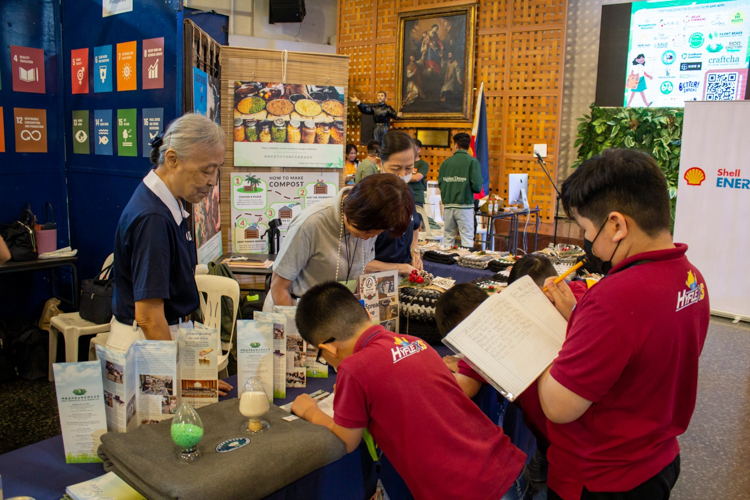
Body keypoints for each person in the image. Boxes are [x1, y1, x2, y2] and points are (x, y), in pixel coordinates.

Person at [538, 148, 710, 500]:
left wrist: (528, 344)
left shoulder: (616, 297)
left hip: (602, 475)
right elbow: (639, 355)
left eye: (587, 229)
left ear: (616, 225)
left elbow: (559, 406)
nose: (589, 245)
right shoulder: (692, 277)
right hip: (657, 457)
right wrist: (576, 316)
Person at [291, 282, 529, 500]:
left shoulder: (353, 369)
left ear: (328, 348)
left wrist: (310, 411)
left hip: (467, 490)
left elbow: (347, 440)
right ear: (365, 313)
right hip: (505, 463)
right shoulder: (413, 341)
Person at [107, 113, 232, 393]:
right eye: (206, 170)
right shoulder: (153, 218)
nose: (213, 181)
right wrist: (187, 381)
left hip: (162, 343)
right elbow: (149, 316)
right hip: (148, 347)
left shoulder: (167, 202)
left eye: (217, 170)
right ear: (172, 159)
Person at [265, 174, 414, 311]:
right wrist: (292, 330)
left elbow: (361, 268)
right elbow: (279, 287)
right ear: (353, 211)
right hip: (297, 308)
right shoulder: (310, 224)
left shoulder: (373, 220)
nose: (370, 237)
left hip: (334, 312)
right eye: (366, 231)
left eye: (378, 232)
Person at [365, 131, 423, 276]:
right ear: (380, 163)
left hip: (403, 276)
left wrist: (414, 250)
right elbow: (358, 262)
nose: (403, 175)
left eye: (409, 168)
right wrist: (398, 268)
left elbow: (414, 225)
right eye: (396, 169)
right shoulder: (368, 198)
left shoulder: (407, 192)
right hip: (373, 281)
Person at [438, 132, 483, 247]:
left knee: (447, 239)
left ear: (456, 145)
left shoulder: (445, 163)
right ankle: (465, 264)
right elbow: (477, 187)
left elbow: (440, 184)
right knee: (467, 239)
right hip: (465, 206)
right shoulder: (472, 161)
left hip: (448, 206)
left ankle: (445, 263)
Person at [409, 139, 430, 208]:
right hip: (403, 196)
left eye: (413, 148)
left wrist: (403, 177)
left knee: (417, 218)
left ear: (419, 150)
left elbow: (417, 178)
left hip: (417, 197)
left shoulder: (423, 164)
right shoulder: (405, 163)